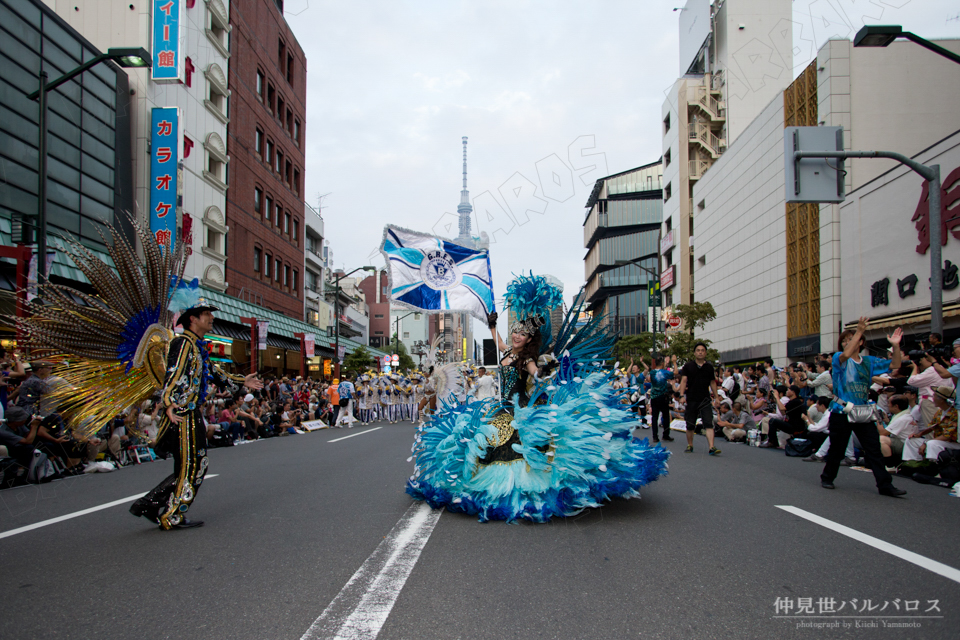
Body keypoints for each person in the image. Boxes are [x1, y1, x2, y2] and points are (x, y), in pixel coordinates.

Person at [407, 274, 669, 522]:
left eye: (522, 333)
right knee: (485, 443)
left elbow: (535, 372)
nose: (516, 335)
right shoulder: (507, 350)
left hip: (519, 408)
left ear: (529, 338)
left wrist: (543, 372)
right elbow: (497, 342)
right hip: (502, 406)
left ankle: (528, 493)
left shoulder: (527, 358)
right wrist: (492, 323)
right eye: (515, 332)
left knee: (516, 446)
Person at [130, 305, 262, 529]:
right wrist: (170, 402)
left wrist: (242, 381)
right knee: (194, 464)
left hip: (189, 413)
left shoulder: (196, 346)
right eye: (206, 315)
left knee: (190, 465)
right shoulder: (182, 344)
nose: (211, 318)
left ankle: (150, 503)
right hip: (182, 415)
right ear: (193, 319)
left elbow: (214, 373)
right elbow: (174, 373)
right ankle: (171, 515)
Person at [820, 317, 906, 496]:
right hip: (841, 410)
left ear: (860, 343)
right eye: (843, 341)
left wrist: (896, 346)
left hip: (862, 412)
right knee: (838, 447)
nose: (846, 343)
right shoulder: (839, 359)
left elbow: (895, 364)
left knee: (874, 447)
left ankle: (885, 485)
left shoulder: (868, 362)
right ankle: (827, 477)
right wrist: (858, 331)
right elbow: (845, 354)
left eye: (849, 340)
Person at [677, 342, 721, 455]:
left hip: (705, 399)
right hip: (691, 398)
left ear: (705, 353)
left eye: (702, 350)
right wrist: (682, 395)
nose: (700, 352)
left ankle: (711, 447)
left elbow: (712, 383)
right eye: (698, 350)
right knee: (690, 424)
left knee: (708, 423)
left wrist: (716, 397)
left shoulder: (709, 367)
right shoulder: (688, 366)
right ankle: (690, 445)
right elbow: (683, 381)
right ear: (694, 353)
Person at [901, 386, 958, 462]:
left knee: (932, 443)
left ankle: (935, 467)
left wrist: (926, 443)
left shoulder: (955, 414)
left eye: (934, 396)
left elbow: (947, 436)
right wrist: (919, 434)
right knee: (911, 440)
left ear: (941, 400)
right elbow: (932, 427)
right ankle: (912, 464)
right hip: (941, 442)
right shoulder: (940, 412)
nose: (932, 398)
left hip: (953, 443)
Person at [648, 355, 675, 443]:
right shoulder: (664, 372)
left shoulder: (652, 373)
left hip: (654, 396)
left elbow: (648, 379)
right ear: (662, 363)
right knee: (665, 416)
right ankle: (665, 434)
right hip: (663, 396)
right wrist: (674, 362)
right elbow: (675, 373)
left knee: (654, 417)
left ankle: (655, 436)